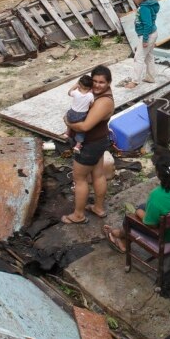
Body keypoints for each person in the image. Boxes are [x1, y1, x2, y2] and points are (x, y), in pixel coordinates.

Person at [103, 148, 170, 253]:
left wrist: (138, 213)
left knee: (131, 217)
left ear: (159, 175)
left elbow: (152, 225)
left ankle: (120, 238)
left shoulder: (157, 196)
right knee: (144, 206)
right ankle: (120, 234)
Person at [62, 65, 115, 224]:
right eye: (95, 81)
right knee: (98, 174)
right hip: (98, 141)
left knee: (80, 179)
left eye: (102, 82)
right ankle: (98, 208)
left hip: (91, 144)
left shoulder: (104, 101)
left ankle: (78, 215)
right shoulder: (94, 94)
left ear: (109, 83)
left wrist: (67, 122)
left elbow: (85, 127)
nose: (97, 85)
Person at [122, 0, 159, 90]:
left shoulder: (144, 8)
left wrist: (145, 40)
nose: (134, 0)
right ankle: (150, 77)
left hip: (147, 35)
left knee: (138, 58)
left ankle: (134, 82)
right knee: (149, 56)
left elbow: (147, 24)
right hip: (152, 33)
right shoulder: (147, 4)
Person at [65, 75, 95, 152]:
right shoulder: (90, 95)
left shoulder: (75, 92)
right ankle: (78, 145)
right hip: (82, 116)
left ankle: (67, 133)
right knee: (80, 131)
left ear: (79, 85)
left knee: (69, 121)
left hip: (71, 114)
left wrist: (74, 86)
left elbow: (69, 93)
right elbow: (91, 105)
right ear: (90, 88)